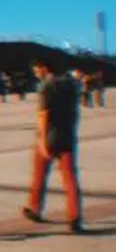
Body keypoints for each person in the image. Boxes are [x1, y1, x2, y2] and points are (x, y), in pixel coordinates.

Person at [23, 58, 83, 233]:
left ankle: (35, 209)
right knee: (70, 178)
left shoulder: (46, 86)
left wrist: (42, 141)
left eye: (36, 70)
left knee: (40, 175)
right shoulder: (72, 84)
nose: (35, 73)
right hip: (67, 134)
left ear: (44, 68)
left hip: (49, 136)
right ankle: (74, 216)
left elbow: (43, 114)